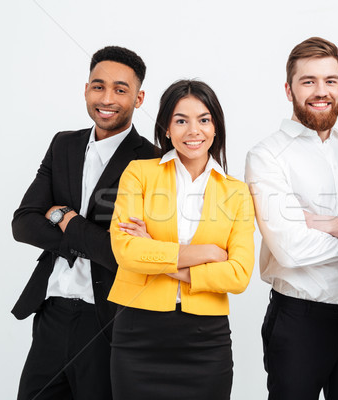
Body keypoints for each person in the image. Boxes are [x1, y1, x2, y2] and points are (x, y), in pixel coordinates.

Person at [11, 46, 158, 400]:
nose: (107, 98)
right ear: (86, 89)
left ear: (138, 98)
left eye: (120, 90)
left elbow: (128, 254)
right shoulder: (64, 144)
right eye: (98, 86)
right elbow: (23, 223)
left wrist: (64, 218)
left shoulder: (152, 162)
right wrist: (80, 234)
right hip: (51, 312)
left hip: (106, 322)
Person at [245, 37, 338, 400]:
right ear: (288, 89)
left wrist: (334, 225)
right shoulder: (266, 155)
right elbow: (289, 249)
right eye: (309, 82)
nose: (322, 92)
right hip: (299, 320)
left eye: (331, 81)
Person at [108, 79, 255, 400]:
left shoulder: (236, 192)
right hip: (138, 334)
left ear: (216, 127)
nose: (194, 130)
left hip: (205, 341)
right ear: (166, 129)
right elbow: (126, 251)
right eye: (181, 120)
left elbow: (239, 275)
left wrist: (159, 257)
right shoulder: (138, 173)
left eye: (204, 119)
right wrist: (207, 252)